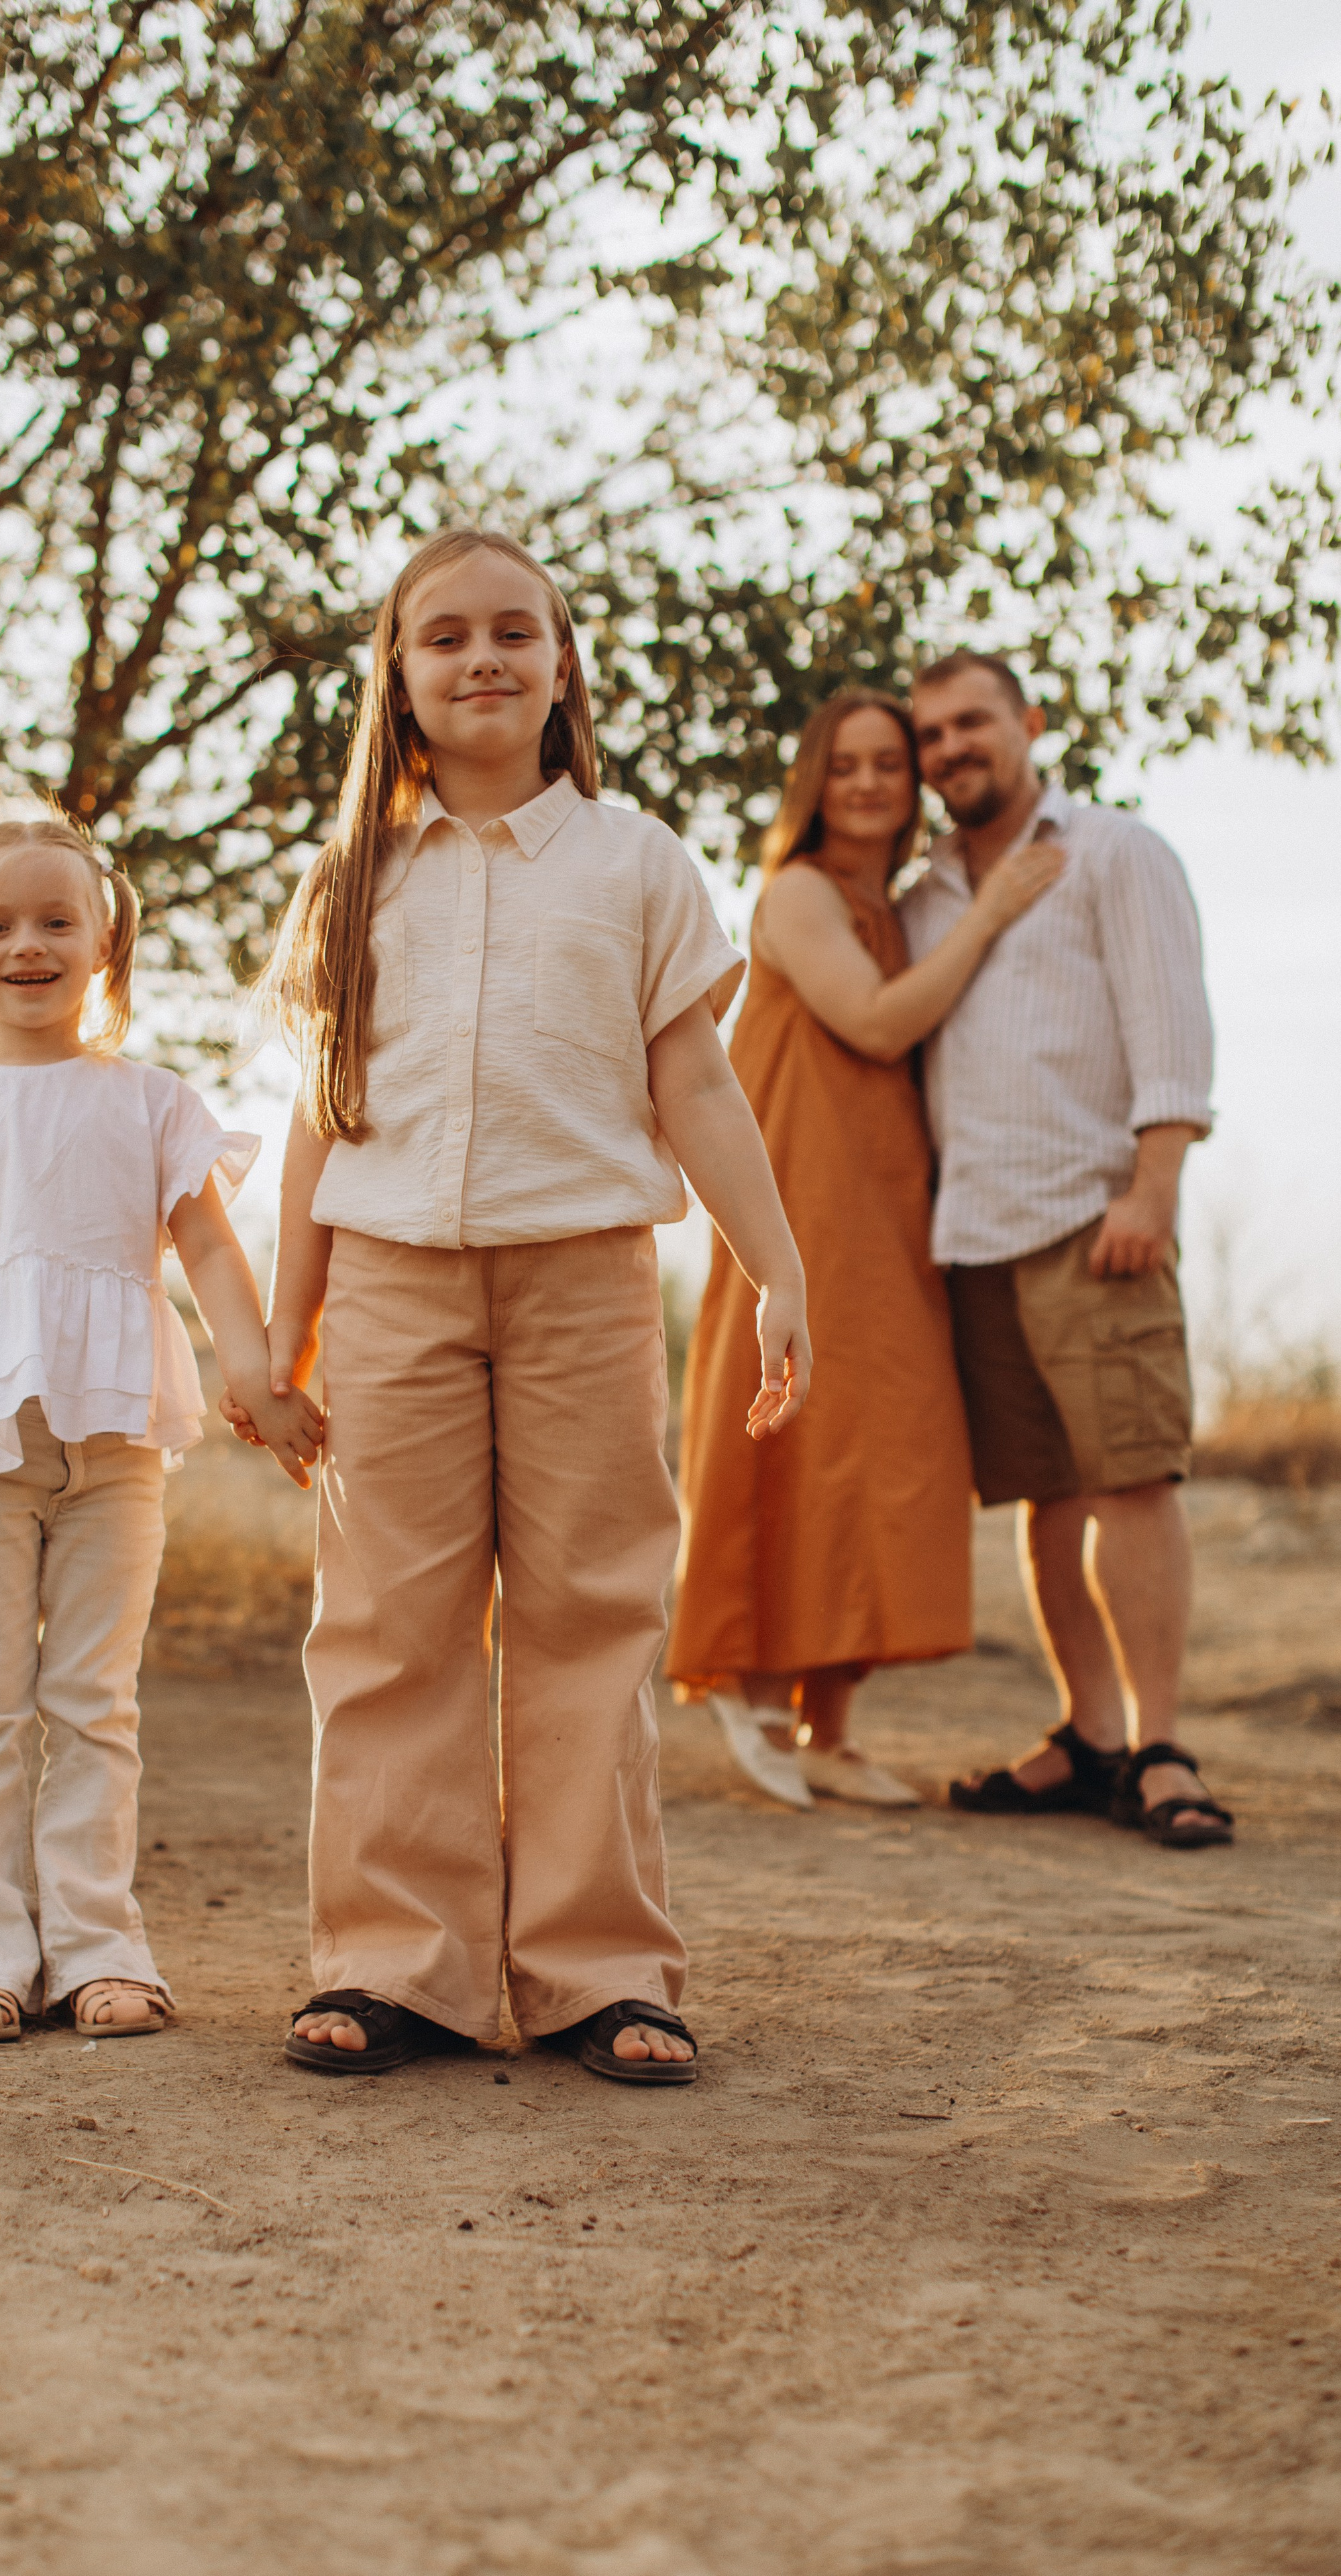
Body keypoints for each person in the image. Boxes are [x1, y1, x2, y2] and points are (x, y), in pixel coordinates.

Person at [231, 527, 810, 2086]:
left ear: (561, 669)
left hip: (584, 1282)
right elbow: (315, 1116)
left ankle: (598, 1971)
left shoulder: (636, 864)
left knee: (590, 1616)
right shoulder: (350, 879)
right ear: (398, 684)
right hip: (388, 1288)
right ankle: (391, 1964)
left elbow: (691, 1076)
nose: (481, 657)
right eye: (444, 638)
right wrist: (278, 1331)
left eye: (514, 632)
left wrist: (776, 1266)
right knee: (385, 1628)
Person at [0, 814, 323, 2047]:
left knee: (94, 1701)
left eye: (56, 922)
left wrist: (253, 1372)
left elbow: (207, 1247)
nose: (27, 945)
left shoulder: (148, 1105)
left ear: (106, 945)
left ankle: (98, 1946)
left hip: (116, 1452)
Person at [669, 691, 1063, 1807]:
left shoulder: (886, 903)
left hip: (890, 1202)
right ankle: (750, 1685)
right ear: (814, 779)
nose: (870, 783)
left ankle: (827, 1726)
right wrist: (990, 914)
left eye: (890, 763)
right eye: (846, 764)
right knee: (800, 1427)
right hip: (804, 1196)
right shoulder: (795, 893)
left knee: (883, 1448)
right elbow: (880, 1023)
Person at [904, 651, 1232, 1849]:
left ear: (1030, 725)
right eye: (931, 734)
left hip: (1097, 1220)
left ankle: (1161, 1745)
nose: (951, 749)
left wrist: (1153, 1185)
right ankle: (1090, 1737)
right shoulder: (926, 895)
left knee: (1132, 1479)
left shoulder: (1114, 852)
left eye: (972, 723)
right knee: (1045, 1495)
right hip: (976, 1234)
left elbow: (1172, 1026)